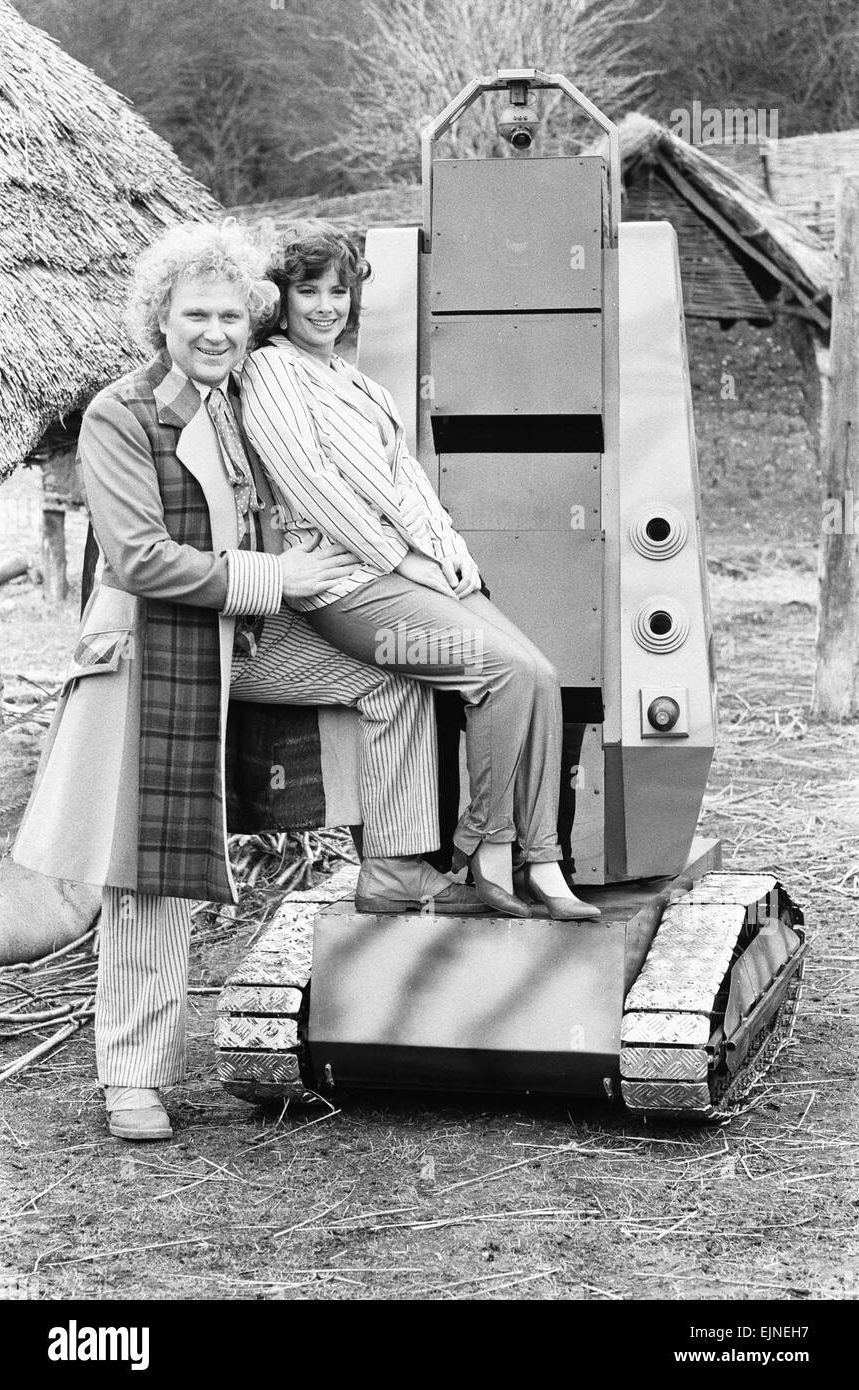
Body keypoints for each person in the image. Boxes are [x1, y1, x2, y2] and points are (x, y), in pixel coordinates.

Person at [12, 221, 479, 1143]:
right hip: (153, 655)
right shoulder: (122, 412)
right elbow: (143, 560)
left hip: (246, 642)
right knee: (151, 874)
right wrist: (278, 579)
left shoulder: (239, 400)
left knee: (405, 671)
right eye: (197, 314)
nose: (216, 329)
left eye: (231, 313)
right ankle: (132, 1081)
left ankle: (389, 877)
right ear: (161, 318)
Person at [239, 219, 601, 925]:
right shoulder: (270, 370)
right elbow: (313, 488)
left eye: (338, 291)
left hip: (416, 568)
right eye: (307, 290)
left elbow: (408, 483)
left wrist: (447, 549)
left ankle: (543, 858)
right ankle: (487, 850)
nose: (324, 306)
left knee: (540, 677)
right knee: (497, 672)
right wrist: (406, 559)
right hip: (348, 583)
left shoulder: (357, 384)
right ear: (280, 299)